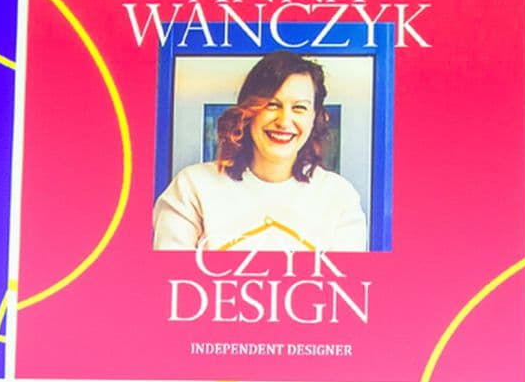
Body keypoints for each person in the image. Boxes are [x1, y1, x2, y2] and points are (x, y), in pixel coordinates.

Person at [152, 51, 367, 252]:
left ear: (315, 118)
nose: (284, 121)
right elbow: (167, 284)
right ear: (248, 112)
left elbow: (346, 288)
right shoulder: (192, 187)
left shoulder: (339, 197)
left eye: (299, 107)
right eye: (272, 105)